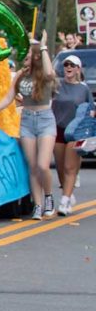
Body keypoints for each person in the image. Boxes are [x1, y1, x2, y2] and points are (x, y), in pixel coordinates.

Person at [0, 35, 59, 219]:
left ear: (34, 58)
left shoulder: (43, 75)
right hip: (27, 120)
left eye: (26, 57)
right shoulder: (20, 75)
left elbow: (50, 73)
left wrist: (42, 48)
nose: (23, 60)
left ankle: (48, 197)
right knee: (32, 166)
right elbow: (9, 98)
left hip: (45, 120)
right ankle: (38, 206)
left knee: (43, 165)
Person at [53, 54, 94, 216]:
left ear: (78, 69)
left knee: (70, 167)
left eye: (71, 65)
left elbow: (90, 109)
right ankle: (68, 194)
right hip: (58, 129)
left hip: (75, 131)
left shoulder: (84, 89)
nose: (68, 67)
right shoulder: (57, 85)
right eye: (66, 65)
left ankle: (64, 200)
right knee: (60, 167)